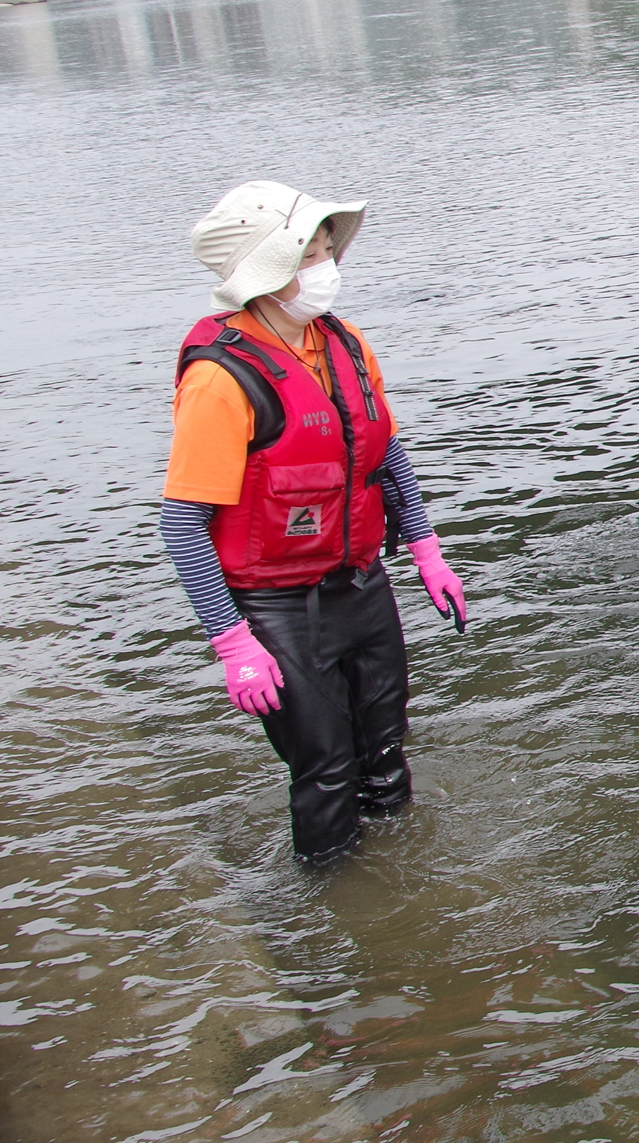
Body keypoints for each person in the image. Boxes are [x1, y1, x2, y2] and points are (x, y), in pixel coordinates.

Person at [160, 182, 470, 865]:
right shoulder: (221, 379)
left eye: (329, 250)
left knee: (385, 746)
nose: (326, 268)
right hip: (274, 605)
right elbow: (184, 523)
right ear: (266, 273)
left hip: (359, 582)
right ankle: (331, 909)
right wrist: (232, 642)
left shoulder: (344, 343)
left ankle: (397, 887)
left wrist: (424, 549)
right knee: (325, 763)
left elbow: (381, 448)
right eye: (311, 255)